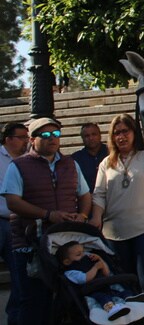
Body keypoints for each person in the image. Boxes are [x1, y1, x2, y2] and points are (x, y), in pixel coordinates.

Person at [1, 117, 92, 323]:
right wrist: (47, 214)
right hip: (30, 244)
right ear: (32, 140)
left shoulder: (71, 164)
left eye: (56, 134)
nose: (53, 139)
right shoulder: (18, 166)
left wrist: (83, 215)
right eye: (46, 135)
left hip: (66, 242)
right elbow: (13, 201)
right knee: (33, 302)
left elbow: (85, 195)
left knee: (69, 299)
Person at [90, 113, 144, 325]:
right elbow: (99, 194)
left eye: (125, 131)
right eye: (117, 132)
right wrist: (95, 219)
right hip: (114, 235)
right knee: (127, 289)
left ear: (134, 133)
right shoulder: (106, 163)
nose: (121, 136)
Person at [56, 240, 144, 322]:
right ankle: (111, 309)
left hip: (106, 287)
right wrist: (96, 267)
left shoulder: (90, 261)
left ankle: (131, 299)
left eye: (83, 252)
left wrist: (100, 261)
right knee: (103, 297)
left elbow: (107, 273)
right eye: (78, 254)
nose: (84, 255)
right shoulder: (71, 271)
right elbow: (85, 278)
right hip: (92, 292)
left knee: (124, 292)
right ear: (67, 262)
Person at [0, 123, 28, 325]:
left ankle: (14, 319)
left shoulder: (28, 161)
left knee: (19, 278)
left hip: (16, 224)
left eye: (27, 137)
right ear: (8, 139)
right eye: (22, 137)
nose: (26, 141)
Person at [71, 122, 109, 194]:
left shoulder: (111, 153)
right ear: (82, 139)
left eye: (94, 134)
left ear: (100, 135)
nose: (91, 138)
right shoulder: (76, 159)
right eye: (87, 136)